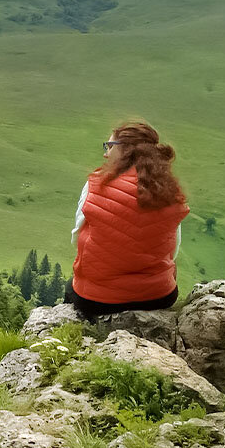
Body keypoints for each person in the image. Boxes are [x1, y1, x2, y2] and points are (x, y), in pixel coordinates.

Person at [65, 121, 190, 318]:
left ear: (125, 150)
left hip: (96, 300)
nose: (106, 154)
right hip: (157, 296)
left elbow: (76, 238)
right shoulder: (168, 192)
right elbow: (172, 251)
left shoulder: (96, 184)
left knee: (71, 289)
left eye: (110, 146)